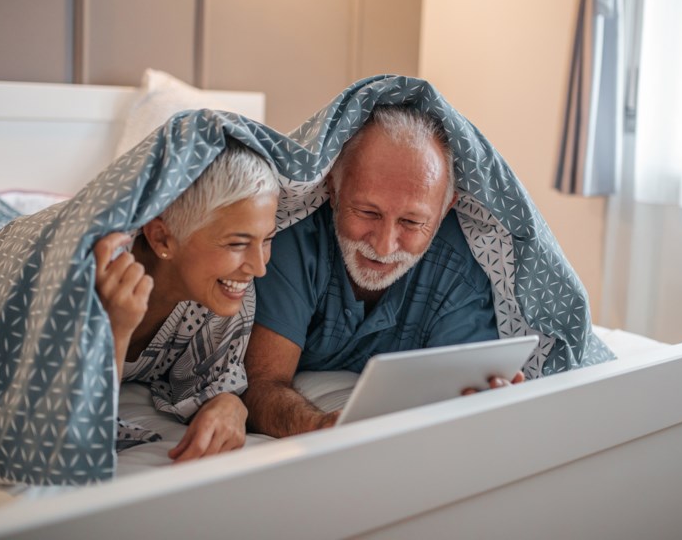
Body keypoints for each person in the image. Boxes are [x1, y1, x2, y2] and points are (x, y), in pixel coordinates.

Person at [243, 105, 521, 438]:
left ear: (445, 210)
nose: (385, 245)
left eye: (412, 222)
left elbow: (464, 395)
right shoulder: (292, 241)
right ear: (332, 189)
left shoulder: (460, 269)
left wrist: (487, 403)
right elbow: (260, 384)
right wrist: (320, 426)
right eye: (367, 212)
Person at [94, 139, 278, 461]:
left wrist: (231, 405)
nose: (259, 268)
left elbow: (210, 386)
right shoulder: (94, 276)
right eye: (237, 243)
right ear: (162, 238)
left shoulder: (221, 298)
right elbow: (69, 429)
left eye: (267, 239)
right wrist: (115, 330)